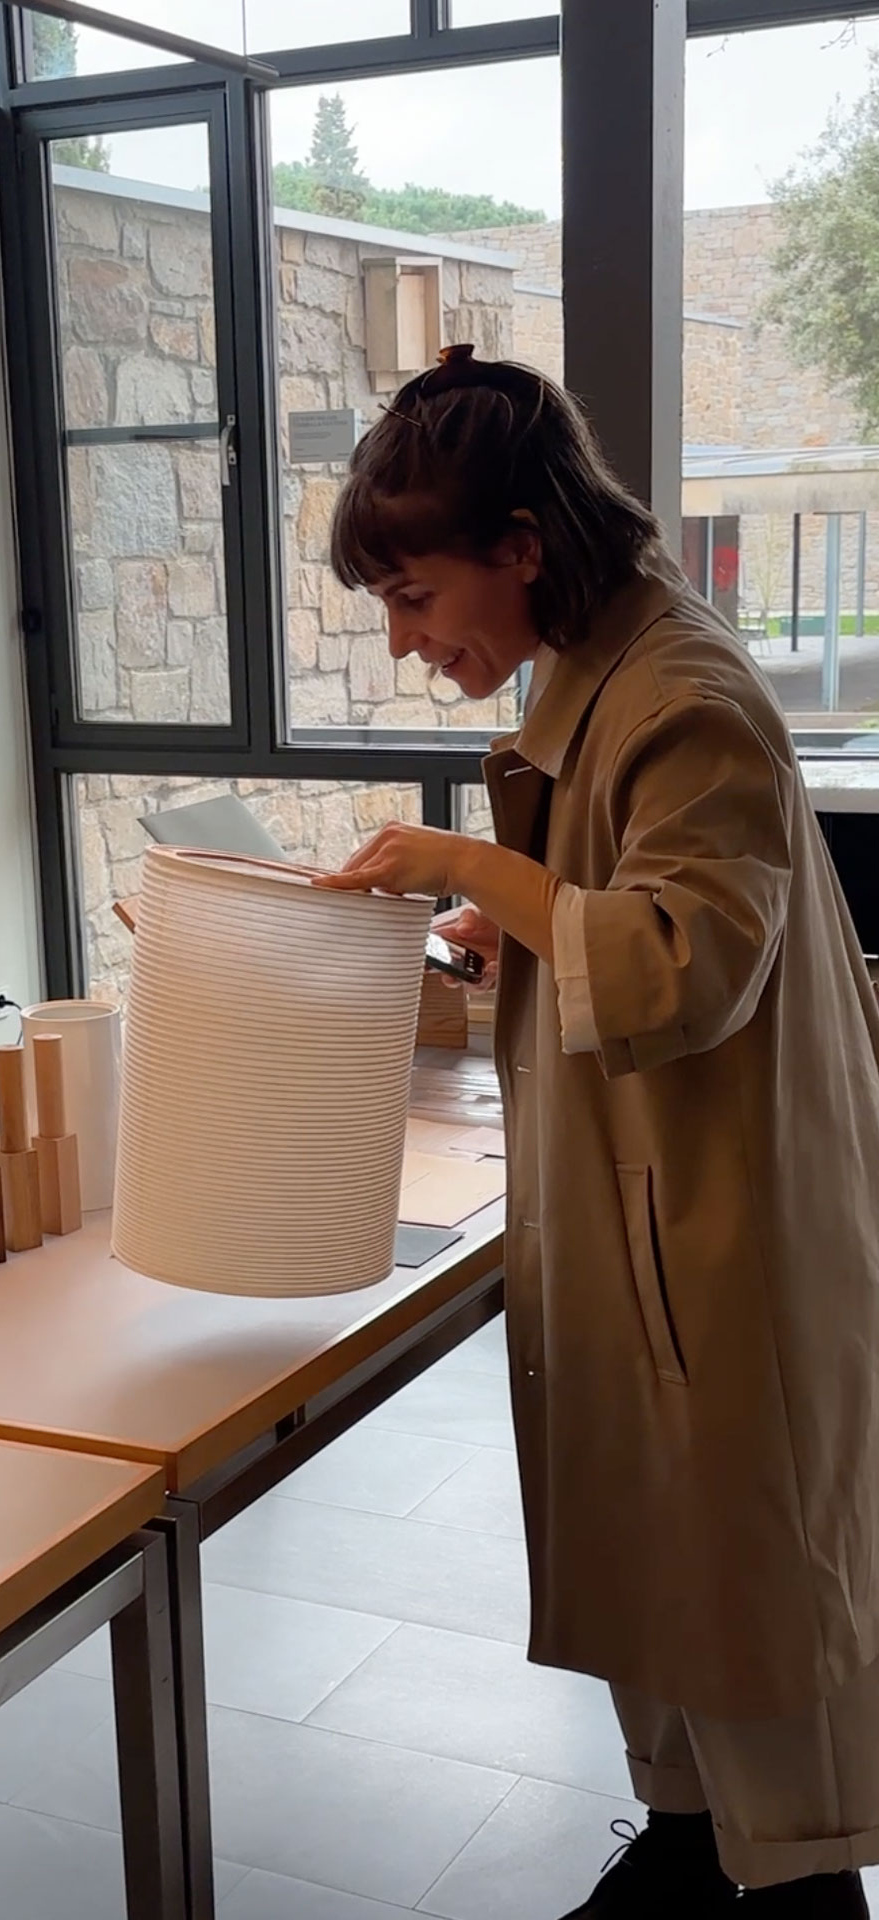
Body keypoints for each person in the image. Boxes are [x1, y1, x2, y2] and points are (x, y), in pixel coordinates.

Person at [319, 345, 879, 1918]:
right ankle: (692, 1857)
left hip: (720, 1223)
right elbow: (619, 904)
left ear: (521, 546)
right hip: (662, 1203)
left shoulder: (680, 698)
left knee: (745, 1588)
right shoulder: (612, 669)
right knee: (674, 1568)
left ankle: (787, 1887)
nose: (405, 638)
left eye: (415, 596)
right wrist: (510, 922)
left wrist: (467, 867)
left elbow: (685, 962)